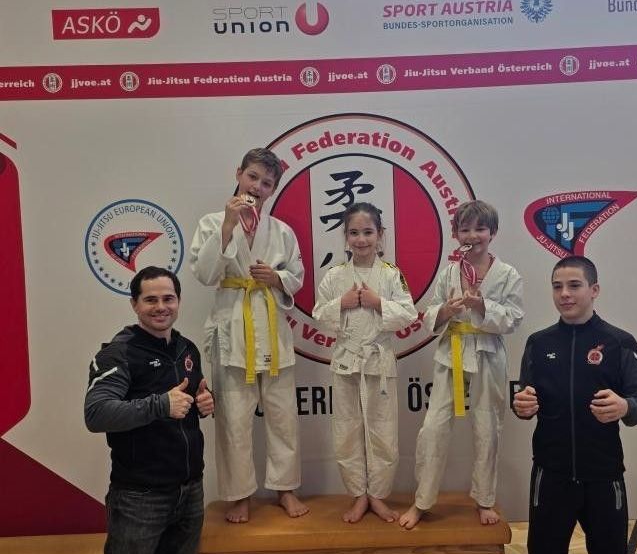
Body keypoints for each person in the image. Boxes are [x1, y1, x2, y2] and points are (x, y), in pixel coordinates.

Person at [508, 255, 637, 554]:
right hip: (550, 475)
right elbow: (522, 397)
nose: (565, 294)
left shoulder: (619, 342)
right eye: (557, 286)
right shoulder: (537, 343)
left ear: (594, 289)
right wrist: (521, 406)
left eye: (574, 285)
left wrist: (626, 407)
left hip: (602, 476)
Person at [84, 266, 214, 554]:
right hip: (139, 496)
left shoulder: (186, 349)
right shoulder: (118, 352)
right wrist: (160, 405)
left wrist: (202, 403)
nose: (161, 307)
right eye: (150, 300)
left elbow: (187, 401)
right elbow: (97, 413)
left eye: (168, 299)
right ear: (135, 304)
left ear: (179, 301)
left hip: (189, 491)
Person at [190, 147, 307, 523]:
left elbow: (297, 275)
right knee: (233, 420)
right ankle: (239, 495)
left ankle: (285, 489)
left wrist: (278, 279)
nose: (257, 187)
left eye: (267, 183)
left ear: (273, 189)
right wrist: (228, 225)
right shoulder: (212, 223)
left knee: (282, 417)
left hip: (272, 331)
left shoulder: (282, 231)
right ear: (239, 173)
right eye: (253, 177)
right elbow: (206, 275)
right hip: (231, 329)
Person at [399, 200, 523, 529]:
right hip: (451, 350)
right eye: (465, 229)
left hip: (487, 354)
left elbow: (513, 318)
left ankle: (484, 499)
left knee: (487, 426)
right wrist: (446, 311)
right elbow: (429, 314)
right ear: (455, 234)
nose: (473, 235)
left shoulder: (507, 274)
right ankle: (422, 501)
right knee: (434, 428)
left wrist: (482, 304)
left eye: (480, 228)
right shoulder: (450, 273)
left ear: (493, 233)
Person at [313, 202, 417, 523]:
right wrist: (341, 304)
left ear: (380, 235)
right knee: (346, 430)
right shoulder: (334, 277)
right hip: (346, 361)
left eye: (368, 232)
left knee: (383, 431)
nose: (361, 239)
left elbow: (409, 313)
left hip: (379, 361)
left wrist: (378, 303)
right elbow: (319, 315)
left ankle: (378, 496)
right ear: (345, 237)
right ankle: (358, 496)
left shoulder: (391, 274)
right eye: (354, 233)